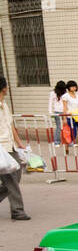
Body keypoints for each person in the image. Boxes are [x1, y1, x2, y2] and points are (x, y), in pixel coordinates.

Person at [0, 76, 31, 220]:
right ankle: (17, 211)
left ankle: (17, 209)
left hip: (10, 146)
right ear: (4, 88)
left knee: (16, 175)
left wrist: (19, 142)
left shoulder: (4, 104)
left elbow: (10, 125)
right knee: (11, 179)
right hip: (1, 147)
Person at [60, 80, 78, 154]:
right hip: (70, 116)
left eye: (75, 86)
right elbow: (64, 107)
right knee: (73, 134)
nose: (74, 88)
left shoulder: (77, 95)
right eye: (72, 86)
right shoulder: (65, 96)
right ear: (68, 87)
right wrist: (64, 118)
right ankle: (66, 147)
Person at [48, 80, 66, 150]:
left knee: (64, 126)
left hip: (63, 111)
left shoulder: (64, 93)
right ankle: (57, 142)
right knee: (59, 127)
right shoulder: (53, 93)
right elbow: (50, 102)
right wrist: (50, 112)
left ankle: (65, 141)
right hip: (57, 112)